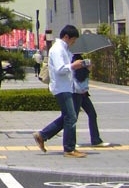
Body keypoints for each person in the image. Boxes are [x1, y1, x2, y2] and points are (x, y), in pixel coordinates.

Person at [33, 25, 88, 158]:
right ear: (66, 37)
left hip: (65, 87)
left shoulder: (64, 49)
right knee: (71, 117)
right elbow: (60, 69)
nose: (73, 42)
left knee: (67, 117)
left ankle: (42, 135)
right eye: (73, 40)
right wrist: (74, 65)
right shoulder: (58, 49)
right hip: (61, 88)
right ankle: (69, 149)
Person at [73, 55, 110, 148]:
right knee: (73, 118)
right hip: (76, 93)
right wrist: (88, 69)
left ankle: (96, 140)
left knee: (92, 114)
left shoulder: (78, 58)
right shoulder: (74, 59)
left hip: (83, 93)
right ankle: (71, 141)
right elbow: (79, 77)